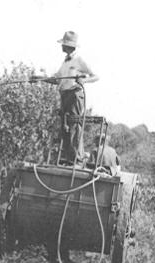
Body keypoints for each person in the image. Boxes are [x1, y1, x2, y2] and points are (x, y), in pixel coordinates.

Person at [41, 31, 99, 164]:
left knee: (74, 124)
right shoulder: (65, 62)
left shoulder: (79, 60)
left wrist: (84, 81)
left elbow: (95, 76)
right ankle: (69, 158)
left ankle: (76, 159)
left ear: (68, 45)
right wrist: (40, 79)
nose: (61, 46)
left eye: (63, 44)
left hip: (75, 95)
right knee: (65, 126)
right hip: (65, 95)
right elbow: (56, 79)